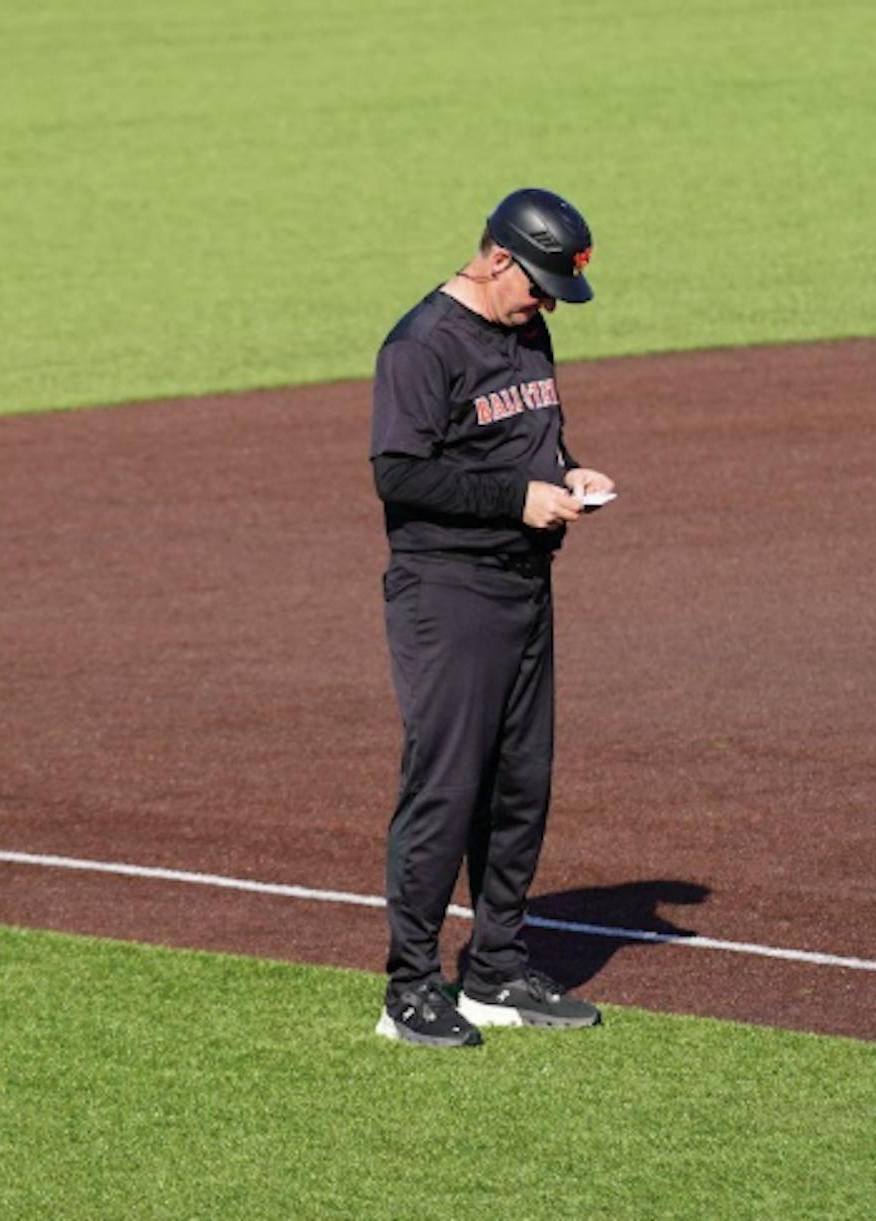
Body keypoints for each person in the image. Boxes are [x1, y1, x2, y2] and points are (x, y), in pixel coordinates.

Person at [370, 187, 615, 1048]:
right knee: (447, 786)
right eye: (540, 285)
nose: (546, 304)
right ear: (499, 258)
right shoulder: (422, 345)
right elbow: (399, 475)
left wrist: (572, 473)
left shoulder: (528, 334)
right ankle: (409, 990)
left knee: (521, 785)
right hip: (448, 592)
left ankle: (496, 969)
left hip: (522, 587)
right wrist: (520, 498)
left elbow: (530, 441)